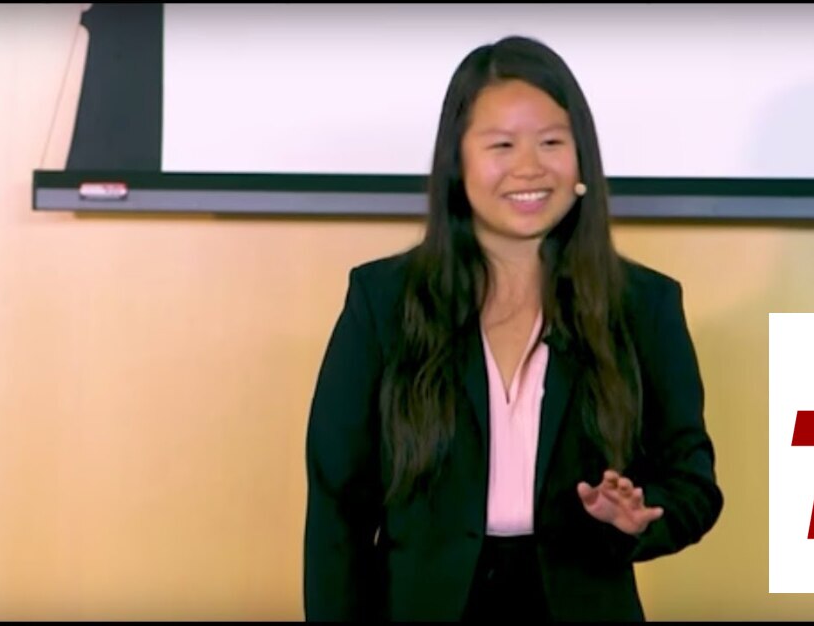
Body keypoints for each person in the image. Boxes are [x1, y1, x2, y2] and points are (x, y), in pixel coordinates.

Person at [303, 35, 723, 622]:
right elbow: (338, 512)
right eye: (502, 145)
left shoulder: (643, 305)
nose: (530, 167)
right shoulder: (383, 302)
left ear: (582, 160)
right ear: (458, 162)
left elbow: (693, 482)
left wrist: (640, 516)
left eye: (551, 142)